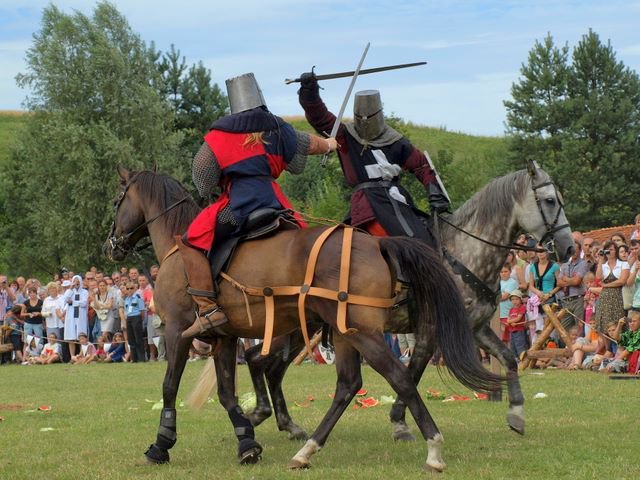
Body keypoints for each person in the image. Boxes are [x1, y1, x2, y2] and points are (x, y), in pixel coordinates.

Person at [179, 72, 338, 338]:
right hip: (275, 202)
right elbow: (308, 145)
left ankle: (208, 309)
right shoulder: (279, 127)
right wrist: (329, 144)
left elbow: (203, 177)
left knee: (190, 241)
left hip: (237, 205)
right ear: (260, 97)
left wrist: (218, 182)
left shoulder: (219, 134)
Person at [297, 72, 450, 247]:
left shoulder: (396, 141)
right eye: (362, 118)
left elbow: (422, 165)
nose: (365, 122)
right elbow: (320, 117)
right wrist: (309, 92)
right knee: (411, 244)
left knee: (424, 242)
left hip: (396, 202)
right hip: (366, 205)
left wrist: (435, 193)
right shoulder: (346, 136)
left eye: (369, 118)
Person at [593, 241, 629, 343]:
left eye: (611, 250)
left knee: (618, 321)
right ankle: (608, 348)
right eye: (607, 250)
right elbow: (598, 277)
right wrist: (600, 260)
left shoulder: (623, 264)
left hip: (618, 296)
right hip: (605, 297)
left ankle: (619, 346)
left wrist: (606, 285)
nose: (609, 252)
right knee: (604, 323)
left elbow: (622, 281)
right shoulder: (603, 265)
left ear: (616, 251)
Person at [556, 240, 589, 331]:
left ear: (580, 250)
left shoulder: (583, 264)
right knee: (564, 329)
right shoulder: (564, 265)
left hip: (578, 299)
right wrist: (571, 280)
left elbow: (577, 282)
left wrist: (565, 279)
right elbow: (558, 282)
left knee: (579, 328)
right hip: (566, 300)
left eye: (575, 249)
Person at [63, 275, 89, 359]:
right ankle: (72, 357)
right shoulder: (70, 291)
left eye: (78, 281)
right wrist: (70, 289)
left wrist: (73, 302)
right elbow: (66, 299)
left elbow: (84, 303)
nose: (76, 283)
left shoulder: (85, 292)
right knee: (71, 337)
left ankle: (82, 355)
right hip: (71, 316)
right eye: (75, 281)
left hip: (81, 316)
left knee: (82, 337)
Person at [124, 283, 146, 362]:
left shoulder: (137, 297)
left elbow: (142, 310)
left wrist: (140, 320)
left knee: (138, 338)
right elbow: (126, 310)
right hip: (129, 318)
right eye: (128, 288)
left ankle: (141, 358)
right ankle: (134, 358)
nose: (129, 290)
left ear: (134, 289)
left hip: (136, 317)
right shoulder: (126, 299)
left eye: (131, 288)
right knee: (131, 339)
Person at [499, 263, 519, 343]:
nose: (503, 274)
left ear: (510, 272)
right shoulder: (498, 282)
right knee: (501, 338)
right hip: (499, 314)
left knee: (510, 338)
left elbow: (504, 297)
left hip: (509, 314)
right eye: (501, 272)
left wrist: (498, 296)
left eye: (505, 271)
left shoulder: (512, 282)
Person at [507, 290, 528, 359]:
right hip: (512, 331)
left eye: (516, 299)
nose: (514, 301)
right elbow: (508, 319)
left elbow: (519, 318)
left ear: (520, 299)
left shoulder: (522, 307)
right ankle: (515, 360)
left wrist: (510, 322)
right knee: (512, 346)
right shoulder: (511, 309)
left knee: (520, 345)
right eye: (512, 299)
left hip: (519, 330)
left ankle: (522, 360)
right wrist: (510, 322)